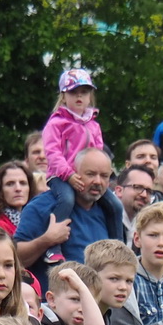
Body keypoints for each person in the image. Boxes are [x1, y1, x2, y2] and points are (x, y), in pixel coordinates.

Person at [11, 146, 124, 290]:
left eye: (104, 176)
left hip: (96, 307)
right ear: (73, 173)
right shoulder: (42, 206)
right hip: (52, 307)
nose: (98, 181)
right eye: (90, 174)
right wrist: (46, 240)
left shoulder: (110, 212)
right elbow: (15, 258)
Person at [41, 68, 125, 237]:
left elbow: (99, 154)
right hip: (61, 176)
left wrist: (102, 175)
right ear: (63, 96)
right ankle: (54, 243)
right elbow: (53, 153)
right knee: (67, 200)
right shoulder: (57, 123)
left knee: (115, 205)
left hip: (88, 177)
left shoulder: (94, 124)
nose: (79, 96)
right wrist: (69, 175)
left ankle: (119, 247)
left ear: (90, 96)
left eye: (84, 92)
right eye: (73, 92)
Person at [0, 160, 39, 236]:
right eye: (10, 184)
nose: (18, 188)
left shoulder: (38, 221)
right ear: (0, 190)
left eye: (23, 183)